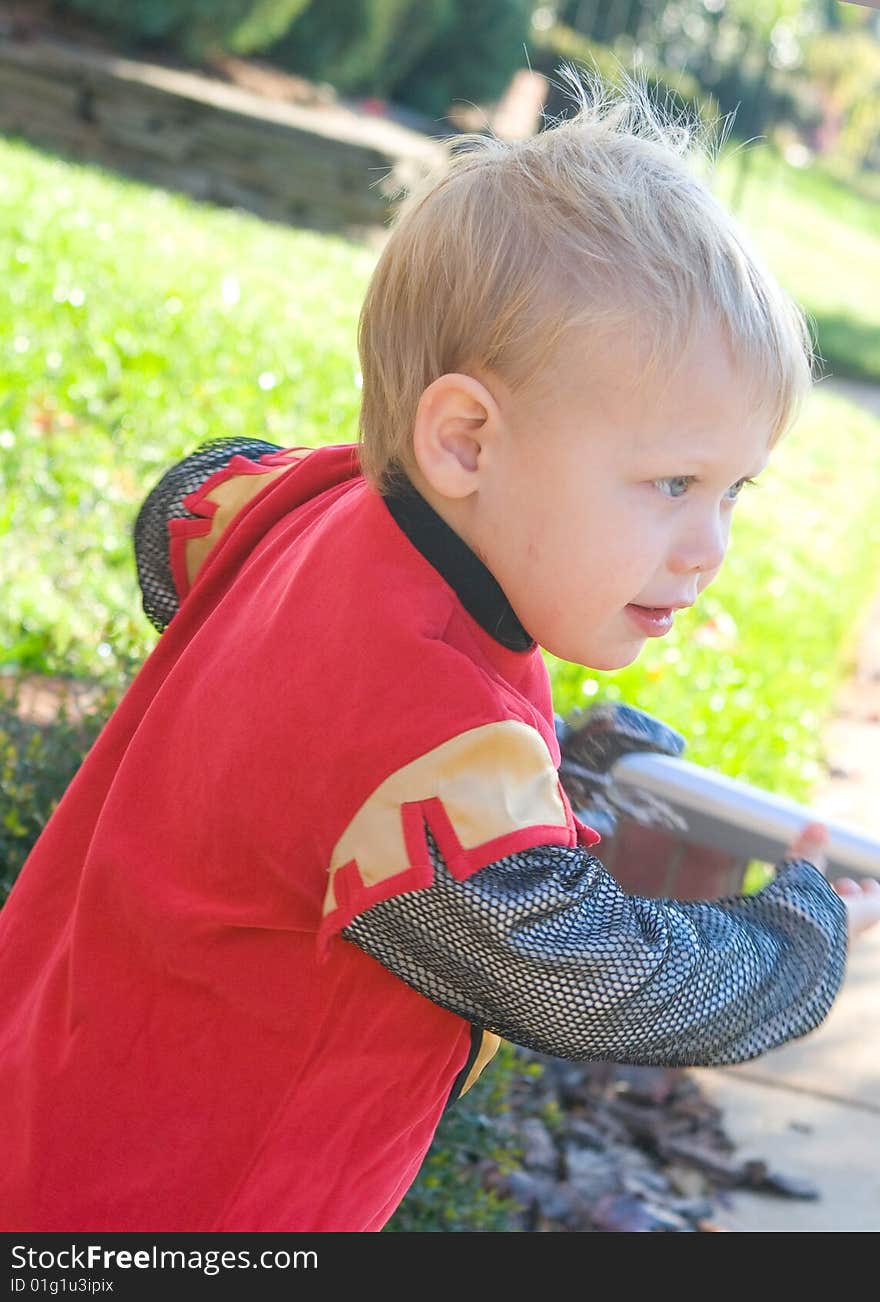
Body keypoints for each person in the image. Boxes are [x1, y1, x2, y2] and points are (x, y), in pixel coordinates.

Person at [1, 65, 878, 1235]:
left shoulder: (311, 506)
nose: (707, 545)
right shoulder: (423, 739)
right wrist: (800, 932)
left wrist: (547, 760)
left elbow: (182, 513)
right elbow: (593, 984)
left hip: (50, 1099)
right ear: (465, 440)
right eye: (670, 483)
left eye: (732, 492)